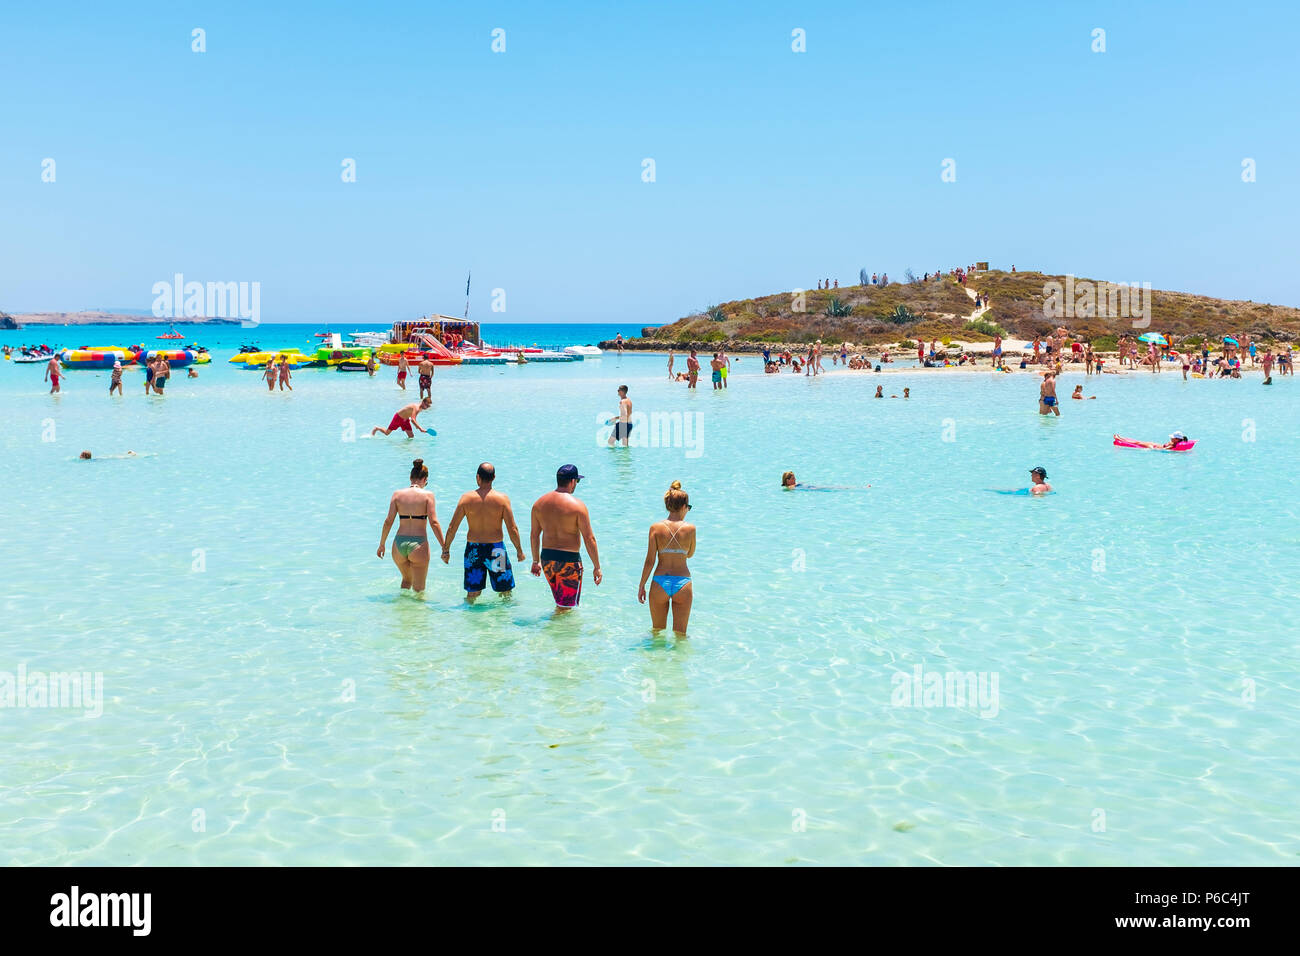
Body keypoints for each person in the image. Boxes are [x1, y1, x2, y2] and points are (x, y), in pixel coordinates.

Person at [441, 462, 524, 603]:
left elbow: (452, 528)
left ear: (477, 477)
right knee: (505, 592)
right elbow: (512, 529)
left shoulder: (466, 499)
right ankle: (504, 622)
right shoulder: (502, 499)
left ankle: (470, 621)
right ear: (494, 477)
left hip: (474, 549)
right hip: (496, 549)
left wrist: (446, 550)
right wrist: (519, 550)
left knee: (472, 593)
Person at [530, 464, 601, 610]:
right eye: (577, 482)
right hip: (569, 562)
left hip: (547, 560)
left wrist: (535, 561)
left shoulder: (538, 504)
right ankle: (557, 631)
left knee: (561, 604)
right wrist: (597, 567)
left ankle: (555, 630)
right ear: (572, 481)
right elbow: (589, 539)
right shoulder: (578, 506)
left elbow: (534, 535)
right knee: (566, 608)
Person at [377, 458, 444, 594]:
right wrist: (444, 546)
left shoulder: (397, 494)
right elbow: (434, 522)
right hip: (418, 545)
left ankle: (402, 613)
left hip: (398, 545)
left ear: (410, 477)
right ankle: (418, 615)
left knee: (406, 581)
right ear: (425, 479)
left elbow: (388, 521)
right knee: (419, 590)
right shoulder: (428, 495)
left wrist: (382, 544)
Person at [638, 480, 695, 636]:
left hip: (659, 582)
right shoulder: (690, 528)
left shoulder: (655, 528)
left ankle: (656, 660)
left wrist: (642, 585)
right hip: (683, 583)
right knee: (680, 635)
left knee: (657, 632)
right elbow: (689, 554)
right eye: (688, 508)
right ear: (683, 506)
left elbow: (650, 561)